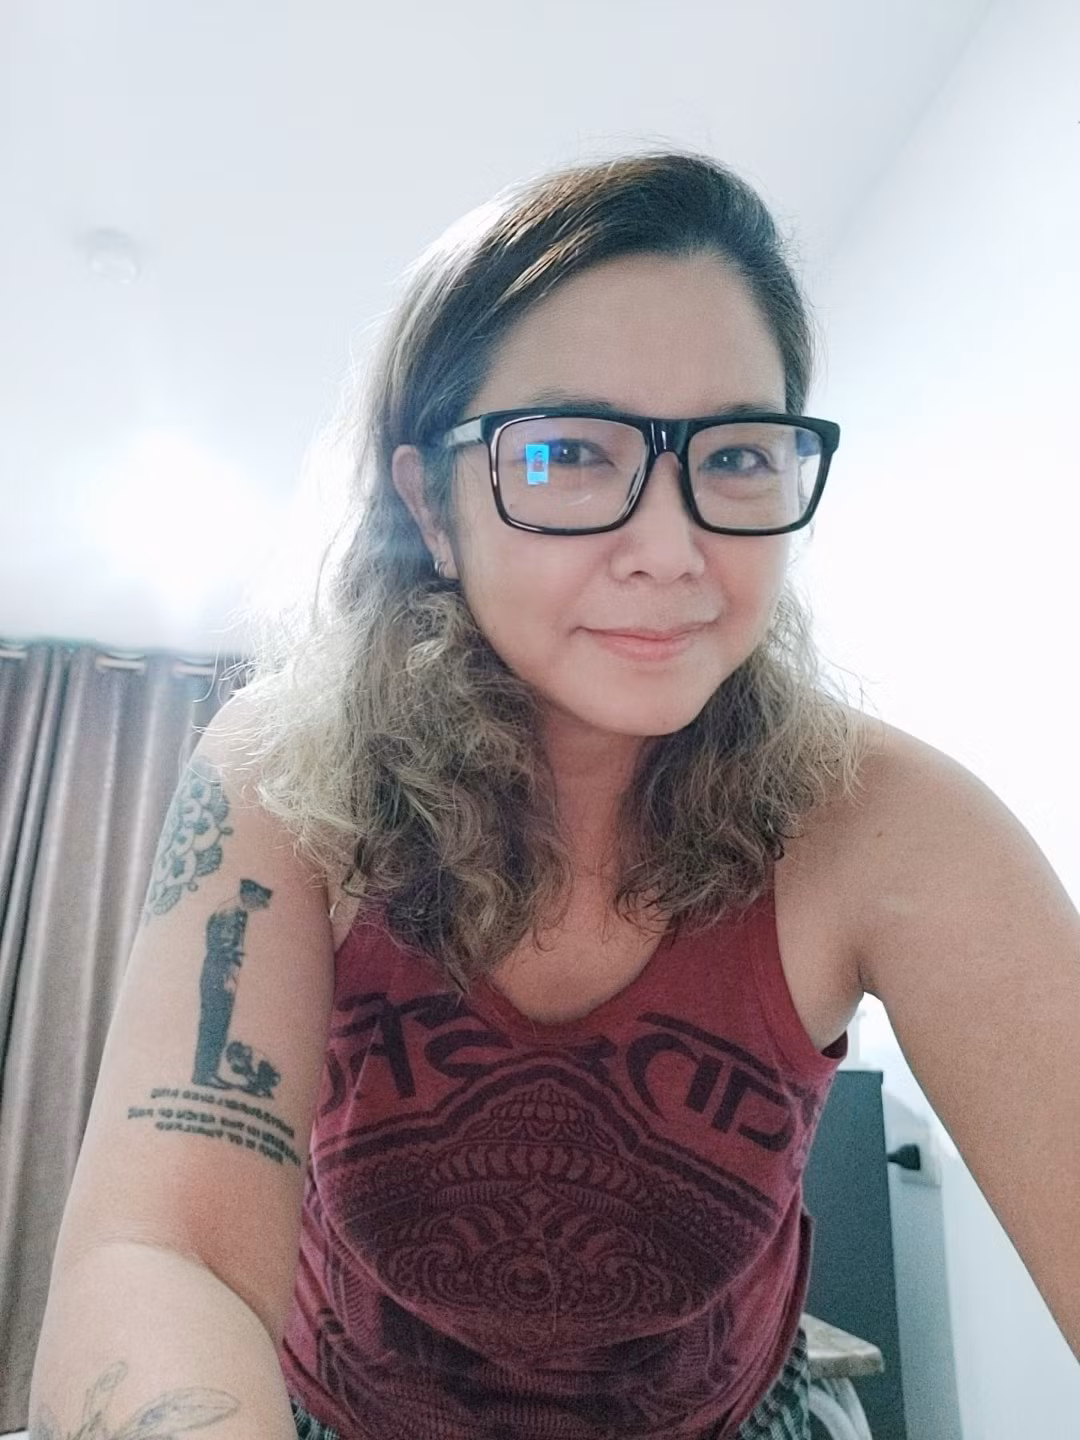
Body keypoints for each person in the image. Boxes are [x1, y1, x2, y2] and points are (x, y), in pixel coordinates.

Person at [30, 149, 1080, 1440]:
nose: (674, 551)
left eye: (738, 456)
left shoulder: (888, 824)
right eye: (570, 452)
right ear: (431, 503)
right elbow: (162, 1254)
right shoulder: (287, 777)